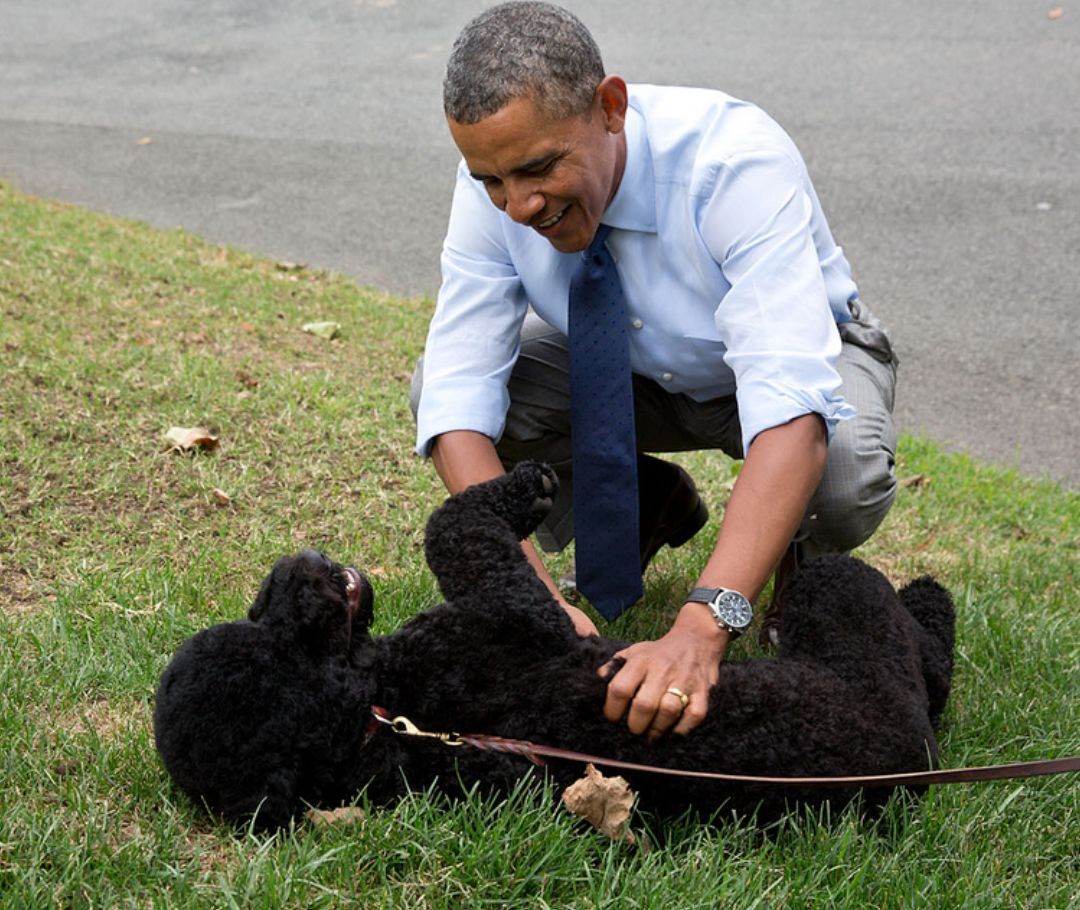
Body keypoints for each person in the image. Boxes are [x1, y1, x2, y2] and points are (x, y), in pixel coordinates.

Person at [410, 1, 897, 742]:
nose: (518, 206)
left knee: (843, 474)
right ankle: (641, 502)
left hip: (780, 369)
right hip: (626, 373)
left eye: (540, 169)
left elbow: (793, 411)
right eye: (493, 182)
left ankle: (790, 574)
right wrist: (531, 605)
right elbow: (455, 398)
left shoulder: (734, 162)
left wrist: (703, 628)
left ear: (610, 107)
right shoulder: (498, 180)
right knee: (453, 398)